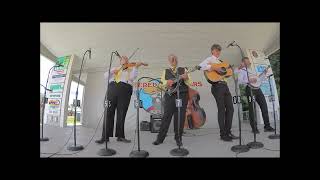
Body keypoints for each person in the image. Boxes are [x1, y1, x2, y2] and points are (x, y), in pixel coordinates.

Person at [95, 56, 143, 144]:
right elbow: (105, 76)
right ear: (120, 61)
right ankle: (105, 137)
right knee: (108, 113)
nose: (125, 60)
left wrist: (136, 67)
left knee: (122, 113)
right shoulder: (115, 68)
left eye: (126, 59)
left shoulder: (130, 69)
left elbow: (133, 77)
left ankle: (120, 136)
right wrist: (112, 72)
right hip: (112, 89)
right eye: (123, 59)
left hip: (125, 90)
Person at [197, 44, 238, 141]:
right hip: (217, 86)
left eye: (219, 50)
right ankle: (223, 134)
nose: (218, 52)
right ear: (212, 51)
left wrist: (237, 69)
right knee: (221, 109)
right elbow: (200, 66)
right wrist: (214, 68)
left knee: (230, 109)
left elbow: (229, 72)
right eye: (216, 50)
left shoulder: (222, 62)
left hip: (225, 85)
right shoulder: (210, 59)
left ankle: (228, 132)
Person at [153, 54, 192, 146]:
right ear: (169, 61)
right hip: (170, 96)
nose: (173, 60)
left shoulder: (183, 70)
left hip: (182, 95)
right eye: (171, 59)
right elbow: (161, 85)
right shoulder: (165, 71)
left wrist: (186, 78)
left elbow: (189, 82)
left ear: (177, 60)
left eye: (175, 58)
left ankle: (178, 138)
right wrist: (167, 83)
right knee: (166, 116)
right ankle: (160, 138)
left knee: (180, 117)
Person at [236, 57, 275, 133]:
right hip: (250, 89)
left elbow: (259, 79)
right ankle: (254, 128)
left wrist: (264, 73)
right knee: (252, 109)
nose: (248, 63)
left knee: (264, 106)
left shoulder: (252, 70)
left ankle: (267, 126)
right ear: (243, 62)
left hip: (258, 89)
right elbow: (240, 81)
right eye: (246, 62)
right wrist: (248, 80)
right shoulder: (242, 71)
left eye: (249, 61)